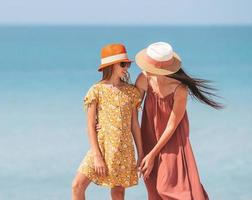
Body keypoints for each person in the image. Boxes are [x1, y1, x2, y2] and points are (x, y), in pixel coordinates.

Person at [135, 42, 222, 200]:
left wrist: (152, 154)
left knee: (169, 189)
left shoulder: (180, 88)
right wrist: (141, 151)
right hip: (148, 138)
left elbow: (172, 125)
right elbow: (132, 112)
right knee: (153, 189)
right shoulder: (143, 79)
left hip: (172, 140)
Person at [72, 43, 143, 200]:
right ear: (111, 65)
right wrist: (97, 156)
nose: (127, 68)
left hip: (123, 148)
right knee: (77, 186)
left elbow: (134, 126)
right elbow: (90, 126)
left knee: (118, 193)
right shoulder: (96, 91)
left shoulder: (131, 92)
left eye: (128, 64)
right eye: (123, 64)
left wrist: (141, 153)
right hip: (101, 147)